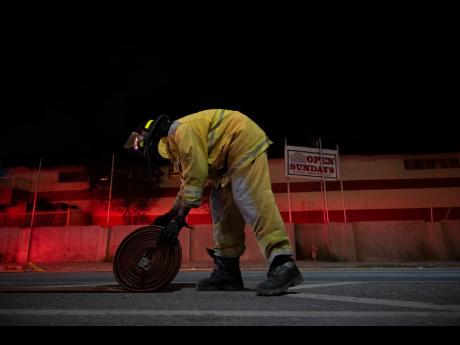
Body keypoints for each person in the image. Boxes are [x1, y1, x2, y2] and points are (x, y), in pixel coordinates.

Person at [124, 109, 303, 296]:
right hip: (225, 160)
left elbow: (196, 177)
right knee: (222, 210)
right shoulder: (174, 144)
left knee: (250, 198)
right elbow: (187, 182)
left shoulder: (181, 132)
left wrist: (178, 221)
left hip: (242, 139)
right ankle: (228, 272)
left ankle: (283, 263)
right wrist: (170, 214)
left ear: (153, 141)